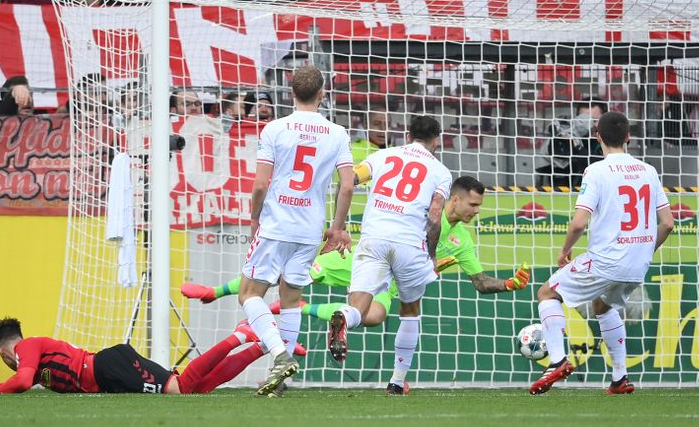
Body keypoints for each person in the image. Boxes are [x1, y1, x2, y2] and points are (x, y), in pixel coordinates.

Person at [182, 177, 531, 330]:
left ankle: (301, 308)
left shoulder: (463, 241)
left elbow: (481, 282)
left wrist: (509, 284)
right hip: (357, 262)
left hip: (388, 284)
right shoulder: (419, 209)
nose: (476, 211)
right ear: (455, 199)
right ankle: (214, 292)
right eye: (473, 204)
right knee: (277, 276)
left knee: (376, 317)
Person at [530, 111, 675, 395]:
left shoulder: (596, 171)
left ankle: (557, 361)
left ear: (597, 138)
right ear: (628, 138)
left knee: (547, 294)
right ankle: (620, 378)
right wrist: (644, 250)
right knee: (603, 306)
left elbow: (579, 223)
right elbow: (668, 223)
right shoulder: (649, 171)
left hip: (606, 260)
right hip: (637, 264)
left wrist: (565, 251)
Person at [238, 65, 354, 397]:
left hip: (277, 224)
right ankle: (282, 382)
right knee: (290, 300)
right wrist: (337, 228)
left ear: (290, 93)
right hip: (309, 229)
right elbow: (347, 187)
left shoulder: (275, 128)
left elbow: (261, 184)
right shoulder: (337, 133)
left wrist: (254, 218)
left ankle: (279, 355)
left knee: (248, 294)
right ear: (322, 94)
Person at [327, 115, 451, 397]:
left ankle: (343, 317)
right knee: (409, 311)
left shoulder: (381, 155)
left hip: (374, 238)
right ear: (436, 140)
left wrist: (339, 226)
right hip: (409, 244)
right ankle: (396, 382)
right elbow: (434, 215)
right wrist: (430, 256)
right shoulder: (441, 171)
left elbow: (349, 180)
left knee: (359, 305)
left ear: (408, 135)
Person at [0, 317, 265, 394]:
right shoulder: (28, 356)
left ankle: (239, 334)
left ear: (1, 350)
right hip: (109, 374)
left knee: (182, 386)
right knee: (197, 388)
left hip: (108, 367)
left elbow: (20, 383)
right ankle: (259, 346)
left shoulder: (26, 348)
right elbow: (18, 381)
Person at [536, 98, 607, 189]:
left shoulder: (608, 145)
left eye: (594, 120)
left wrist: (578, 148)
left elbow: (601, 172)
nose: (590, 126)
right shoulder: (561, 141)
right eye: (583, 120)